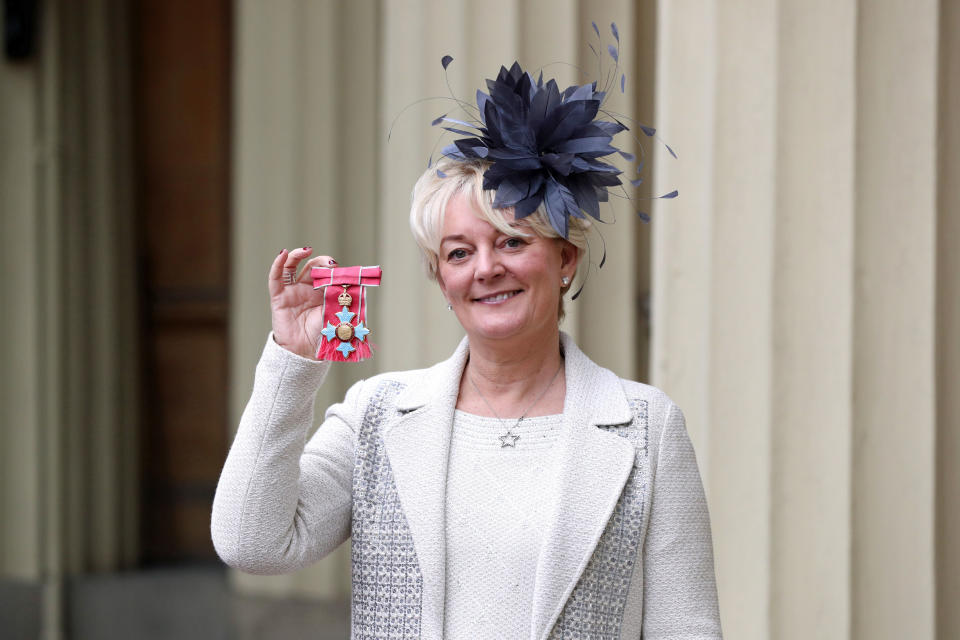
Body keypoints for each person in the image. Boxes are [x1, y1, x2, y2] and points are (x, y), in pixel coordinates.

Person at [212, 56, 722, 640]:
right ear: (441, 279)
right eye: (458, 252)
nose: (486, 269)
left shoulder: (648, 428)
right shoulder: (376, 415)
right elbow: (251, 541)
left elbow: (686, 628)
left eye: (511, 240)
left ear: (565, 259)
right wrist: (293, 361)